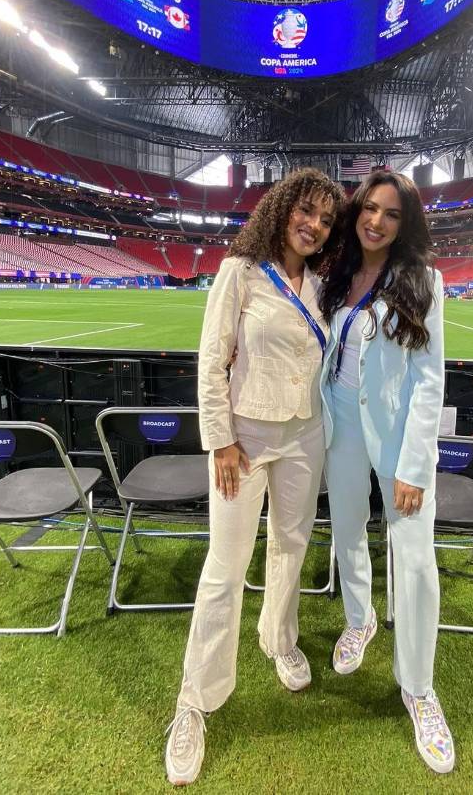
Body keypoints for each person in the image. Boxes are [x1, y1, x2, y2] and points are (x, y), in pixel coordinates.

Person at [166, 168, 345, 786]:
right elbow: (211, 360)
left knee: (292, 546)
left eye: (325, 219)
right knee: (226, 564)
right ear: (281, 208)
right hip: (244, 440)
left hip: (305, 435)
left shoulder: (322, 284)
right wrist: (219, 441)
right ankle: (196, 698)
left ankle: (279, 640)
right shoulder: (239, 272)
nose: (314, 225)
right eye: (307, 211)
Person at [318, 170, 453, 774]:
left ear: (406, 223)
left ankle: (419, 688)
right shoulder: (338, 272)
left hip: (397, 437)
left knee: (416, 562)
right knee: (347, 532)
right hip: (339, 424)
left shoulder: (425, 281)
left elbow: (430, 378)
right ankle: (359, 620)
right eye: (369, 209)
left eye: (390, 214)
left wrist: (414, 466)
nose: (376, 221)